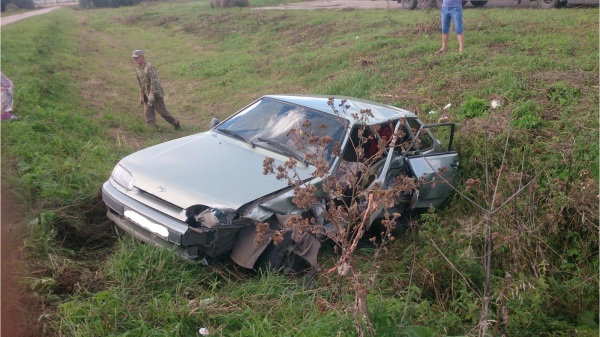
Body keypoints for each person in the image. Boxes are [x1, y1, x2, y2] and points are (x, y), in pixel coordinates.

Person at [132, 50, 181, 130]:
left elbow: (154, 81)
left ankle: (175, 123)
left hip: (155, 94)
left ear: (142, 57)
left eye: (136, 58)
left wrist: (152, 94)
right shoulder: (138, 69)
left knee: (163, 112)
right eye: (134, 58)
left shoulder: (149, 66)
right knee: (148, 113)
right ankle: (152, 129)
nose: (135, 60)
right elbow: (140, 83)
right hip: (146, 95)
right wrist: (141, 96)